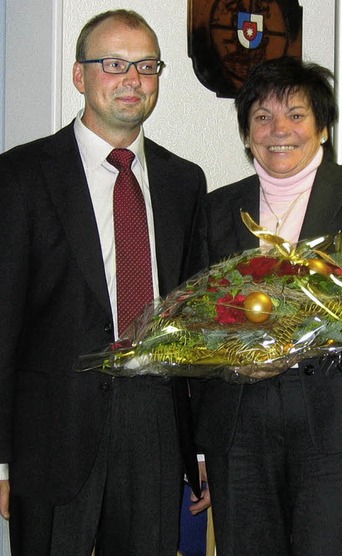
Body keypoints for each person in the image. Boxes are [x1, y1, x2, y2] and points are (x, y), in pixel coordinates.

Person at [0, 10, 207, 555]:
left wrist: (199, 447)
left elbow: (196, 323)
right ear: (79, 76)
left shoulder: (185, 182)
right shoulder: (21, 176)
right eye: (114, 64)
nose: (132, 79)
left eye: (146, 65)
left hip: (156, 425)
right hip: (52, 432)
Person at [195, 56, 342, 556]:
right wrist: (234, 361)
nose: (279, 130)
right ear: (247, 132)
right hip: (240, 428)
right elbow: (197, 327)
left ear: (321, 127)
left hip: (337, 422)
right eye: (262, 117)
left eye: (296, 115)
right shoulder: (215, 209)